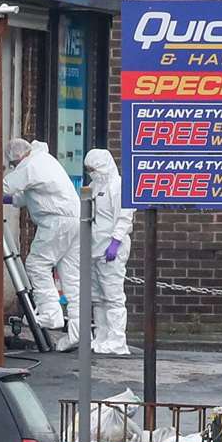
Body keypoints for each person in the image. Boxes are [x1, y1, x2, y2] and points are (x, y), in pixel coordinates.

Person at [3, 138, 81, 352]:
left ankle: (50, 314)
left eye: (12, 164)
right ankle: (78, 331)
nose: (14, 167)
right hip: (75, 221)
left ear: (18, 157)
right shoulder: (45, 160)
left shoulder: (31, 164)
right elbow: (25, 197)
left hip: (56, 221)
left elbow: (7, 186)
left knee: (37, 264)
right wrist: (8, 200)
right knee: (72, 278)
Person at [83, 149, 136, 357]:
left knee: (113, 296)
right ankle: (102, 336)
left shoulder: (118, 185)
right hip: (95, 248)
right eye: (89, 170)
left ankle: (116, 340)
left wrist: (115, 241)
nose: (91, 173)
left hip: (112, 248)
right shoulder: (96, 186)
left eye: (93, 169)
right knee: (97, 296)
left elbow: (124, 217)